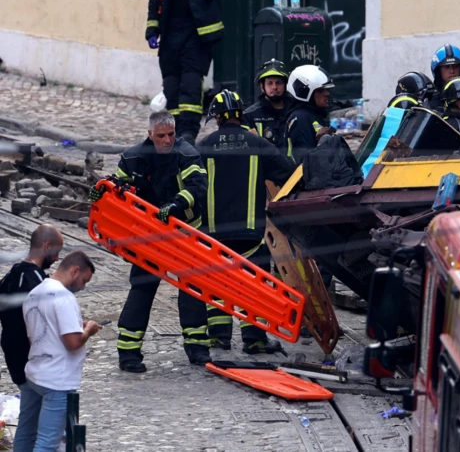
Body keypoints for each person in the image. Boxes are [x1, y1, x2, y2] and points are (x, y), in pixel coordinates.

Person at [91, 111, 210, 372]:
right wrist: (102, 190)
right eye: (161, 136)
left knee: (192, 288)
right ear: (149, 134)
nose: (167, 140)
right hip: (148, 236)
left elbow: (198, 186)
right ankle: (128, 353)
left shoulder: (187, 153)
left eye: (171, 135)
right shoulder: (134, 157)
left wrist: (176, 204)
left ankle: (198, 348)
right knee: (142, 288)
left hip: (185, 233)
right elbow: (117, 185)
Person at [196, 90, 296, 354]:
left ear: (217, 118)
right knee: (255, 285)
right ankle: (254, 339)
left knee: (216, 284)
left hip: (214, 233)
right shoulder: (258, 143)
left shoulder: (204, 146)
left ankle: (219, 337)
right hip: (251, 233)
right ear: (241, 115)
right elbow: (287, 171)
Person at [145, 0, 240, 145]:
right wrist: (152, 31)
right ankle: (174, 133)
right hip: (170, 41)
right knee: (171, 90)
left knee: (190, 89)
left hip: (196, 41)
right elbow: (154, 2)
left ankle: (188, 133)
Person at [13, 251, 99, 452]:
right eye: (84, 280)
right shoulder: (64, 297)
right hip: (57, 379)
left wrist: (76, 324)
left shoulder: (35, 292)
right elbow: (73, 342)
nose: (83, 287)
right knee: (47, 442)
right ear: (75, 270)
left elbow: (39, 332)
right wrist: (89, 329)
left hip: (35, 373)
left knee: (25, 434)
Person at [0, 225, 63, 388]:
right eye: (56, 251)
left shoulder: (11, 274)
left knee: (29, 408)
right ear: (47, 246)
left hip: (13, 354)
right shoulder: (36, 281)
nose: (56, 258)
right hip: (31, 360)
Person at [284, 65, 335, 162]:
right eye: (320, 90)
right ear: (304, 92)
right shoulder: (300, 118)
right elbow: (305, 161)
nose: (327, 93)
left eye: (326, 90)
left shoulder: (313, 115)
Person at [244, 59, 292, 150]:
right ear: (262, 86)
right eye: (270, 83)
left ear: (286, 85)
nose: (274, 87)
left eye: (279, 83)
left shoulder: (295, 111)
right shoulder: (250, 115)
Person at [429, 44, 460, 112]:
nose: (452, 71)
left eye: (456, 66)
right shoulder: (430, 98)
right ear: (438, 71)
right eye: (447, 67)